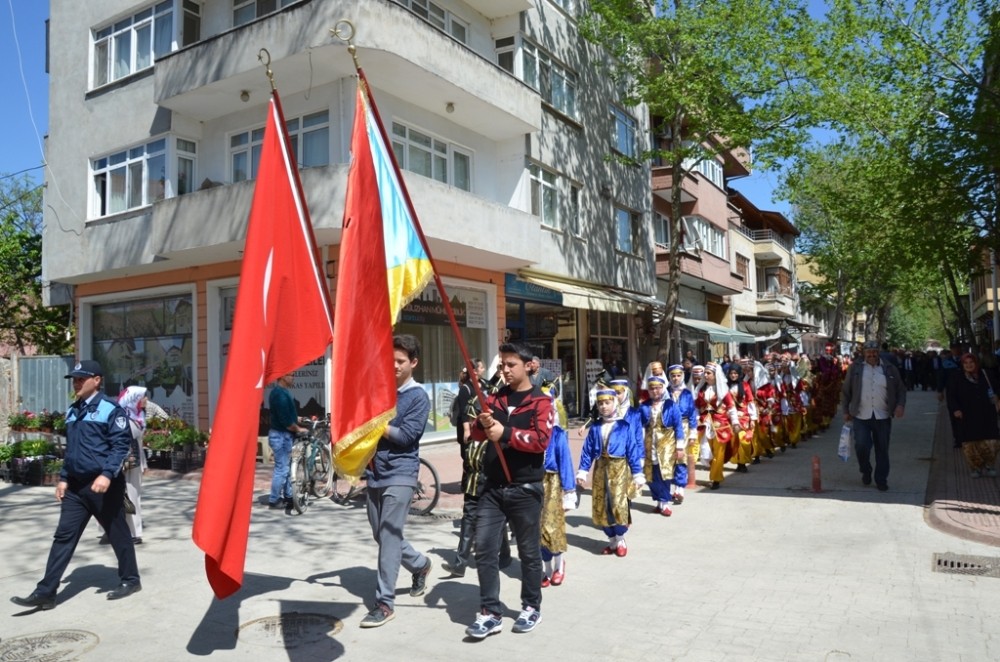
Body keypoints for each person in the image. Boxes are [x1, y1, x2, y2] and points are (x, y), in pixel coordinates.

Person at [11, 360, 140, 610]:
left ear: (97, 380)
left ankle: (131, 579)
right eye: (74, 379)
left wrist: (106, 474)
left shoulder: (110, 409)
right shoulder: (73, 411)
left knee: (117, 534)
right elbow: (71, 451)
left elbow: (120, 446)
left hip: (104, 486)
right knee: (63, 536)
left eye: (82, 378)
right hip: (76, 489)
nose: (77, 383)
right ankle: (45, 592)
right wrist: (62, 478)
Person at [465, 342, 554, 639]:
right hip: (492, 487)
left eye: (510, 364)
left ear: (529, 365)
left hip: (525, 488)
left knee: (528, 553)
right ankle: (490, 612)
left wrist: (506, 433)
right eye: (502, 365)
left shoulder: (541, 402)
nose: (504, 370)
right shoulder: (495, 398)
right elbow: (479, 435)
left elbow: (541, 441)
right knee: (485, 548)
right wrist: (481, 423)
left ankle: (531, 606)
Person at [361, 334, 433, 628]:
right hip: (375, 472)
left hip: (402, 473)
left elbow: (405, 436)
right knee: (381, 535)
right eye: (389, 360)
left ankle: (385, 603)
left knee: (389, 536)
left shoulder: (418, 397)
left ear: (413, 363)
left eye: (400, 361)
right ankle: (420, 564)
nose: (393, 366)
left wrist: (376, 423)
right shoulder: (379, 390)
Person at [577, 387, 645, 554]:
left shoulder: (624, 426)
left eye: (607, 402)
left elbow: (632, 450)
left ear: (615, 403)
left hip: (619, 469)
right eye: (600, 403)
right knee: (602, 503)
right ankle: (611, 540)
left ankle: (621, 539)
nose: (604, 406)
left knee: (618, 503)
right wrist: (583, 471)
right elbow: (587, 450)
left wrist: (637, 473)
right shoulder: (595, 427)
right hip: (600, 469)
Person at [842, 340, 906, 492]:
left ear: (879, 352)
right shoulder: (855, 368)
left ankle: (881, 479)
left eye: (874, 351)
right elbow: (846, 391)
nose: (872, 354)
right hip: (860, 415)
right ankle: (866, 470)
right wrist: (845, 410)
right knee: (861, 446)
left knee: (882, 449)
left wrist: (900, 405)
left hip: (882, 416)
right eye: (868, 352)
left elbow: (901, 389)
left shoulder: (889, 368)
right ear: (864, 353)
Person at [945, 353, 1000, 478]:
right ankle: (976, 467)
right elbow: (951, 396)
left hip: (987, 414)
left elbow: (997, 389)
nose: (969, 365)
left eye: (971, 362)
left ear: (976, 363)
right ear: (962, 365)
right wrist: (956, 409)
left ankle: (989, 464)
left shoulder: (986, 375)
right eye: (966, 363)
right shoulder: (956, 377)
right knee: (971, 444)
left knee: (992, 441)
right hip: (967, 415)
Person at [638, 375, 685, 515]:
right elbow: (638, 425)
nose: (655, 391)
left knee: (664, 474)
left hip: (667, 444)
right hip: (649, 443)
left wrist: (680, 447)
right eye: (651, 388)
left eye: (657, 388)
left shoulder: (671, 405)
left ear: (663, 388)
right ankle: (659, 500)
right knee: (650, 475)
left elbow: (678, 426)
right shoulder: (644, 406)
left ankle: (664, 503)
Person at [540, 424, 576, 587]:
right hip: (533, 482)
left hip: (552, 483)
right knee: (536, 529)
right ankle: (546, 567)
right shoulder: (529, 429)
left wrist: (569, 491)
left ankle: (559, 565)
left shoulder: (557, 434)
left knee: (552, 526)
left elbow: (565, 461)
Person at [116, 386, 149, 544]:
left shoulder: (138, 415)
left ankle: (131, 530)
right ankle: (132, 532)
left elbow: (139, 442)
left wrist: (143, 463)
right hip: (126, 463)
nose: (146, 400)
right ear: (133, 399)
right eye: (143, 396)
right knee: (130, 495)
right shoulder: (124, 417)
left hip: (135, 461)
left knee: (132, 495)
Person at [267, 373, 303, 510]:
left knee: (287, 467)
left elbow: (286, 415)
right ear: (282, 377)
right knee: (282, 468)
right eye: (291, 375)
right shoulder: (279, 394)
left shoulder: (283, 392)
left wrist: (297, 418)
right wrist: (298, 429)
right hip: (281, 436)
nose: (293, 377)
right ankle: (274, 499)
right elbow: (285, 421)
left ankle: (288, 496)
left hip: (284, 435)